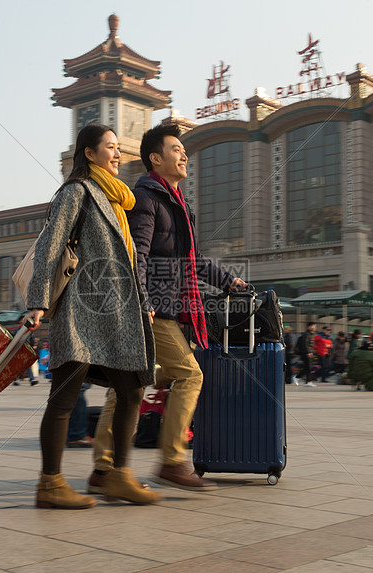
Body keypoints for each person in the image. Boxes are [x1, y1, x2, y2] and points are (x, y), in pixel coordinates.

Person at [87, 123, 247, 495]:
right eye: (176, 149)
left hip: (164, 306)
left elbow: (191, 259)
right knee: (190, 375)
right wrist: (142, 303)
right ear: (156, 159)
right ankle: (172, 460)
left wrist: (227, 280)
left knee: (132, 386)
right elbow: (137, 256)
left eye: (183, 149)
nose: (184, 154)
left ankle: (103, 467)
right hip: (154, 309)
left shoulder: (176, 202)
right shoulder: (147, 199)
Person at [24, 123, 162, 509]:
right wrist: (37, 302)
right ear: (89, 153)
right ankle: (50, 484)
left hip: (119, 316)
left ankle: (118, 476)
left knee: (133, 389)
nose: (118, 154)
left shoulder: (116, 199)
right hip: (81, 314)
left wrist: (144, 301)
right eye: (111, 148)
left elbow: (130, 259)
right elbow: (49, 247)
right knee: (64, 397)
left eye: (119, 148)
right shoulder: (77, 193)